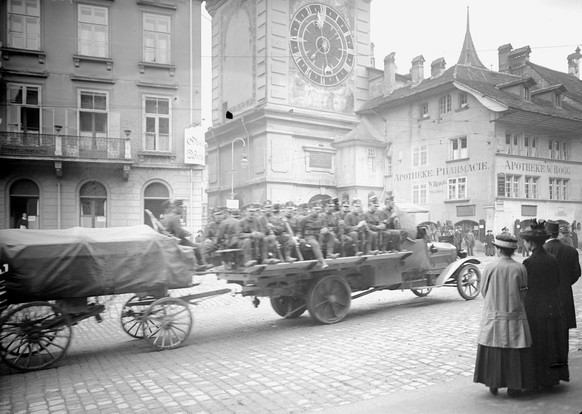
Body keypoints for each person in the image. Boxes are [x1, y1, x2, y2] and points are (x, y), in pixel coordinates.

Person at [473, 233, 534, 397]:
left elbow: (483, 291)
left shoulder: (490, 267)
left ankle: (494, 383)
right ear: (513, 250)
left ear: (498, 249)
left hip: (494, 315)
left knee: (494, 347)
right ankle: (514, 386)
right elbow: (523, 292)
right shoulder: (520, 268)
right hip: (514, 316)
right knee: (515, 349)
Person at [521, 220, 569, 390]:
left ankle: (537, 378)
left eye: (525, 242)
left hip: (534, 308)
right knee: (551, 343)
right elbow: (557, 281)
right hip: (552, 305)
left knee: (537, 343)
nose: (524, 244)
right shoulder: (553, 259)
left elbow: (526, 287)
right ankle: (552, 378)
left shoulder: (528, 263)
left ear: (530, 243)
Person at [544, 220, 581, 350]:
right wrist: (564, 283)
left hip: (546, 298)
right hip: (565, 294)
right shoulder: (571, 251)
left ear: (546, 234)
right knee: (563, 332)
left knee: (547, 333)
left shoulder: (541, 251)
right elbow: (576, 273)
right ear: (558, 233)